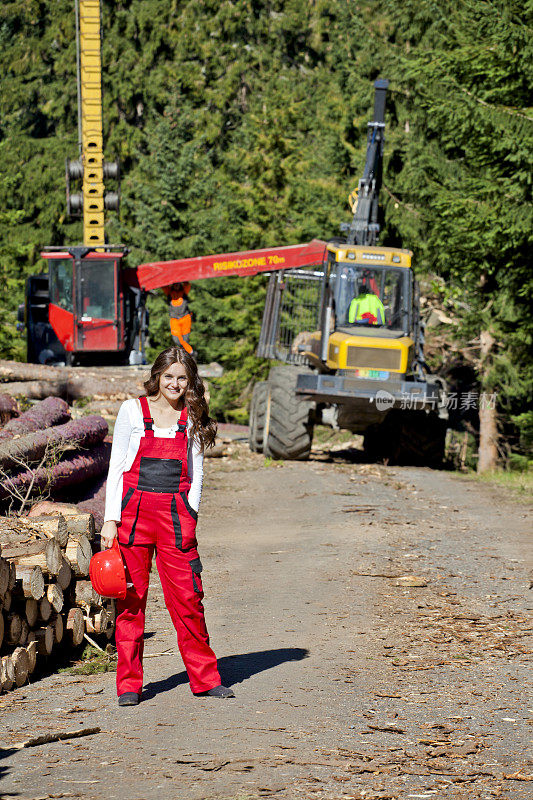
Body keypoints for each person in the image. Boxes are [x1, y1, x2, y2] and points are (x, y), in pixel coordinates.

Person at [100, 346, 234, 706]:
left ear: (190, 382)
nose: (174, 384)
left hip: (176, 518)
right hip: (133, 515)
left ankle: (205, 679)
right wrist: (111, 519)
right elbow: (116, 467)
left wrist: (192, 513)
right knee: (130, 603)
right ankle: (129, 685)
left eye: (182, 378)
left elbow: (198, 470)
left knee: (189, 599)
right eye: (169, 376)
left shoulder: (191, 416)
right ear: (157, 376)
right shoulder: (132, 410)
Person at [163, 282, 193, 354]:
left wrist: (182, 278)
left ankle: (185, 354)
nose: (176, 286)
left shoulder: (184, 292)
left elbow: (187, 285)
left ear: (180, 285)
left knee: (185, 339)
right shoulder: (169, 292)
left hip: (185, 318)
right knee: (176, 340)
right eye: (175, 284)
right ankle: (191, 352)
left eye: (178, 284)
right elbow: (163, 286)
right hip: (174, 319)